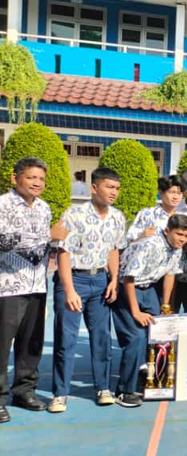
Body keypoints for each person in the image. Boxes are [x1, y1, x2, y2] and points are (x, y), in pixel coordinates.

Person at [48, 167, 126, 414]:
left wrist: (114, 279)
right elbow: (64, 252)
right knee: (66, 339)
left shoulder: (117, 217)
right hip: (74, 280)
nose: (113, 192)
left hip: (101, 281)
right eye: (108, 187)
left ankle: (103, 388)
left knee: (101, 337)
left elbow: (114, 249)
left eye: (116, 188)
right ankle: (60, 393)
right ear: (94, 187)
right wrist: (69, 290)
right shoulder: (74, 215)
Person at [0, 157, 67, 423]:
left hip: (37, 285)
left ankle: (24, 392)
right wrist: (48, 236)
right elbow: (4, 241)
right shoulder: (3, 204)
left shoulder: (44, 208)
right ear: (15, 178)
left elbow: (46, 248)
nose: (37, 183)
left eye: (41, 179)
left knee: (32, 343)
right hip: (7, 287)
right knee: (2, 344)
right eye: (31, 178)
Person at [112, 214, 187, 408]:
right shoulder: (149, 245)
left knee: (161, 334)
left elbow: (170, 275)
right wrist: (136, 311)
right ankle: (124, 390)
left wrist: (165, 305)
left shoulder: (177, 250)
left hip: (150, 290)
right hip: (128, 290)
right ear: (167, 231)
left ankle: (154, 382)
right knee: (136, 338)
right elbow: (129, 278)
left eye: (186, 236)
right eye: (179, 234)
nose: (182, 239)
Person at [126, 175, 184, 242]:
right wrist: (142, 237)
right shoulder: (147, 214)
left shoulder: (184, 215)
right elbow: (131, 241)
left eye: (179, 193)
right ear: (161, 192)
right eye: (171, 192)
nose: (175, 197)